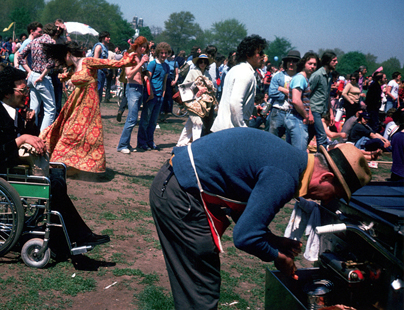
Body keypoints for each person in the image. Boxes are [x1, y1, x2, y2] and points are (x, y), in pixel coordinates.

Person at [150, 127, 371, 310]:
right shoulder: (286, 176)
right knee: (200, 290)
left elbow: (243, 207)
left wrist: (274, 240)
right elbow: (244, 237)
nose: (326, 201)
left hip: (177, 184)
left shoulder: (292, 162)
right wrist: (278, 257)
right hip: (181, 194)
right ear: (326, 178)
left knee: (197, 288)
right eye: (334, 194)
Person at [0, 66, 110, 253]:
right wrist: (21, 138)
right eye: (22, 90)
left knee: (58, 174)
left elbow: (29, 144)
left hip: (20, 167)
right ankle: (78, 235)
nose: (26, 95)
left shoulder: (17, 113)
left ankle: (64, 233)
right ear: (7, 93)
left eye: (27, 90)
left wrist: (30, 126)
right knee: (53, 183)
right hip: (3, 172)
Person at [40, 42, 136, 173]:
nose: (63, 63)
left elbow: (111, 63)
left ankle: (61, 162)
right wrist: (64, 76)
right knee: (66, 129)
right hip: (75, 103)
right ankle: (64, 163)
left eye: (63, 59)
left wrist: (128, 59)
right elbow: (72, 76)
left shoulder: (88, 62)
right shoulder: (74, 68)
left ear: (68, 54)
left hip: (89, 105)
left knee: (78, 133)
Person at [211, 35, 267, 132]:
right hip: (230, 131)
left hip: (222, 128)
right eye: (259, 53)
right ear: (249, 54)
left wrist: (253, 109)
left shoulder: (236, 69)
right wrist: (241, 128)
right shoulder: (246, 73)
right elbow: (235, 103)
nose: (263, 56)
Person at [18, 22, 60, 132]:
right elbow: (51, 63)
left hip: (33, 75)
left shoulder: (34, 41)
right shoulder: (51, 42)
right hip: (43, 77)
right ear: (55, 33)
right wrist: (42, 75)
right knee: (50, 109)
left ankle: (30, 131)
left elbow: (20, 57)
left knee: (34, 107)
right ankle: (43, 136)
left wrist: (29, 71)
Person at [116, 36, 150, 154]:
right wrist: (141, 63)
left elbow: (139, 73)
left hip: (139, 88)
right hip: (132, 89)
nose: (143, 49)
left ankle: (127, 144)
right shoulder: (131, 57)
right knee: (132, 118)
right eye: (142, 46)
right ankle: (122, 145)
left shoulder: (141, 57)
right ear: (137, 46)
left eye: (145, 47)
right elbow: (129, 75)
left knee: (133, 118)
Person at [136, 42, 170, 151]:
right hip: (151, 96)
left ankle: (150, 141)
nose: (163, 55)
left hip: (160, 97)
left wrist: (163, 94)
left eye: (165, 53)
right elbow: (147, 79)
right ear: (158, 53)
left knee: (154, 122)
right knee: (145, 119)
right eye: (162, 53)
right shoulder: (152, 64)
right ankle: (141, 142)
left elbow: (164, 82)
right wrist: (150, 94)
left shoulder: (166, 66)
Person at [176, 53, 214, 146]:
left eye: (205, 62)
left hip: (202, 103)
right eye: (201, 61)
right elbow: (185, 85)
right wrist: (197, 87)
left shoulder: (207, 74)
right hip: (192, 101)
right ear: (197, 62)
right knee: (198, 122)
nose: (203, 64)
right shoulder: (193, 72)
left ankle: (181, 143)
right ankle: (196, 145)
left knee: (190, 122)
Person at [285, 51, 319, 151]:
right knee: (299, 153)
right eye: (310, 63)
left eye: (315, 64)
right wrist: (306, 115)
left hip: (294, 117)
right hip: (296, 118)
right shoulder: (300, 78)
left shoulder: (303, 78)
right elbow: (296, 100)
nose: (312, 66)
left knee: (291, 152)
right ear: (304, 64)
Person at [268, 50, 300, 138]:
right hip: (278, 111)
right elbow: (272, 93)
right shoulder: (278, 76)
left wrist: (282, 89)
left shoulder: (300, 78)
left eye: (294, 61)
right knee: (272, 140)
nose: (291, 64)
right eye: (289, 61)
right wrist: (290, 94)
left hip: (294, 113)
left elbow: (301, 96)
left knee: (291, 142)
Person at [309, 50, 337, 148]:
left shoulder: (329, 76)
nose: (336, 63)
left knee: (309, 135)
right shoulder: (317, 75)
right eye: (334, 61)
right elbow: (307, 93)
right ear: (327, 61)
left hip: (321, 110)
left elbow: (327, 95)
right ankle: (322, 160)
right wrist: (309, 112)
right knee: (322, 136)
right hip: (314, 109)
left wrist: (331, 113)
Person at [91, 31, 110, 103]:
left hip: (102, 72)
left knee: (99, 95)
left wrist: (106, 70)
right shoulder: (98, 47)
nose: (109, 38)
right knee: (96, 93)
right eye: (107, 37)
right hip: (98, 72)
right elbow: (95, 61)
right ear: (103, 38)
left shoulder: (106, 47)